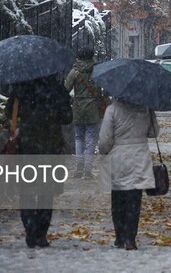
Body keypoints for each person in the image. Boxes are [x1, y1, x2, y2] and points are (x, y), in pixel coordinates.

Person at [6, 74, 72, 248]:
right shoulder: (57, 89)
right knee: (46, 192)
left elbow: (8, 112)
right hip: (51, 146)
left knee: (27, 190)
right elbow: (67, 117)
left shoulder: (21, 87)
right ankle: (41, 234)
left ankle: (29, 228)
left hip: (27, 146)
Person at [98, 99, 160, 251]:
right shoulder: (145, 108)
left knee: (118, 201)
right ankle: (130, 239)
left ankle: (120, 237)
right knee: (134, 201)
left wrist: (104, 151)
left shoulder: (112, 110)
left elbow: (105, 140)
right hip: (139, 158)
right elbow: (154, 132)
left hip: (119, 159)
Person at [64, 47, 109, 179]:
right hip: (93, 108)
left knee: (78, 137)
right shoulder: (97, 71)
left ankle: (79, 167)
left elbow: (66, 89)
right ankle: (88, 170)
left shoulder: (74, 72)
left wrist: (74, 99)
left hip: (78, 108)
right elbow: (105, 90)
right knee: (91, 139)